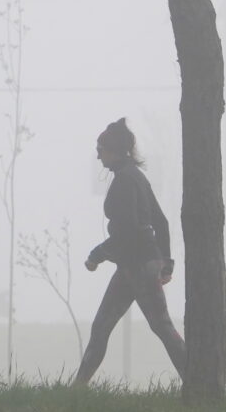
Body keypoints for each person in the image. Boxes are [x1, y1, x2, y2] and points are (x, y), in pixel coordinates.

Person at [73, 117, 186, 386]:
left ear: (113, 151)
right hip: (135, 266)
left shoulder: (125, 181)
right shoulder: (137, 177)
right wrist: (166, 262)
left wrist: (97, 255)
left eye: (100, 150)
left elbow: (126, 232)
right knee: (104, 328)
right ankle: (76, 389)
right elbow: (161, 222)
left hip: (137, 268)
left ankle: (197, 382)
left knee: (160, 327)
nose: (98, 156)